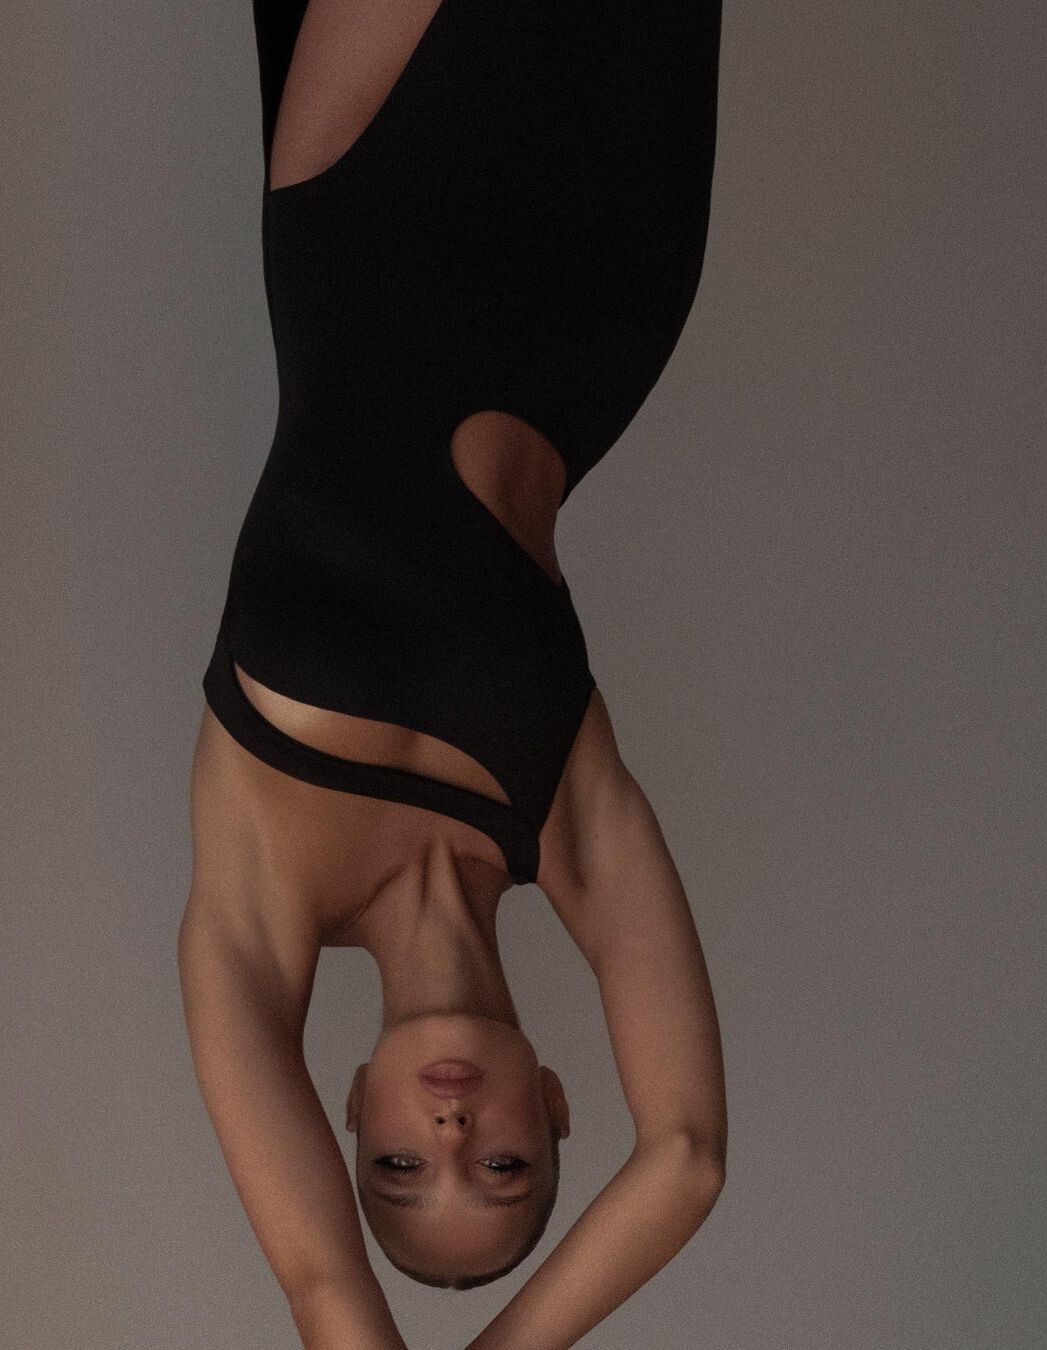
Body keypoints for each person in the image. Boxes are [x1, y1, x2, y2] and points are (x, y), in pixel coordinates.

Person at [179, 0, 726, 1344]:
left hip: (372, 204)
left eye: (398, 1167)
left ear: (349, 1108)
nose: (449, 1132)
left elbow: (323, 1287)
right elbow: (688, 1155)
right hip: (604, 272)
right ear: (553, 1101)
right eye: (504, 1164)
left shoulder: (260, 904)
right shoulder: (566, 823)